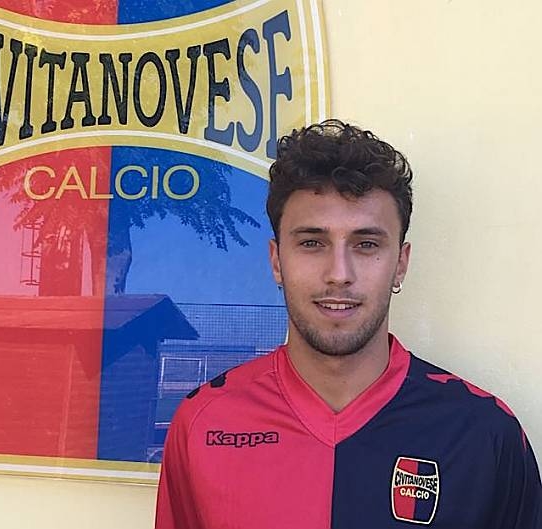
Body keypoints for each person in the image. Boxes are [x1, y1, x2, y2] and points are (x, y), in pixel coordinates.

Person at [154, 119, 542, 528]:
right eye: (312, 243)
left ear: (400, 264)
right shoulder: (204, 422)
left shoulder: (484, 434)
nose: (339, 273)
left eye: (366, 244)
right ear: (276, 261)